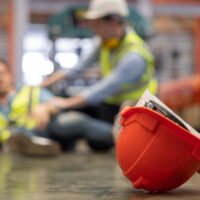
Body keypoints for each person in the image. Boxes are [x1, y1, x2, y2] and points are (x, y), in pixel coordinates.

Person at [43, 0, 157, 140]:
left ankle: (115, 137)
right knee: (63, 121)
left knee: (77, 123)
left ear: (114, 22)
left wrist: (65, 103)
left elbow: (104, 88)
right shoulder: (104, 43)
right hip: (110, 105)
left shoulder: (134, 56)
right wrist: (43, 85)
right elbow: (78, 68)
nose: (94, 29)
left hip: (131, 112)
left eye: (97, 24)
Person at [0, 59, 61, 156]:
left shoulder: (30, 91)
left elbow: (58, 104)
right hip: (7, 145)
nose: (0, 79)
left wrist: (45, 107)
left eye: (2, 73)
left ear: (9, 75)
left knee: (68, 121)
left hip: (38, 134)